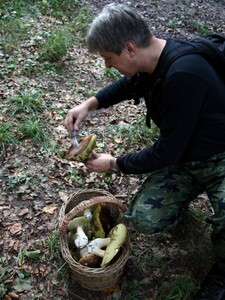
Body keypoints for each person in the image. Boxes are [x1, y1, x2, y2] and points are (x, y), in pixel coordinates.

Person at [65, 3, 225, 299]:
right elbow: (128, 86)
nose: (107, 66)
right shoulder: (152, 61)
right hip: (187, 158)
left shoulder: (184, 75)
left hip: (220, 159)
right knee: (142, 218)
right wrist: (89, 104)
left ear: (129, 48)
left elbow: (165, 153)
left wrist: (114, 164)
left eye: (109, 59)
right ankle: (180, 206)